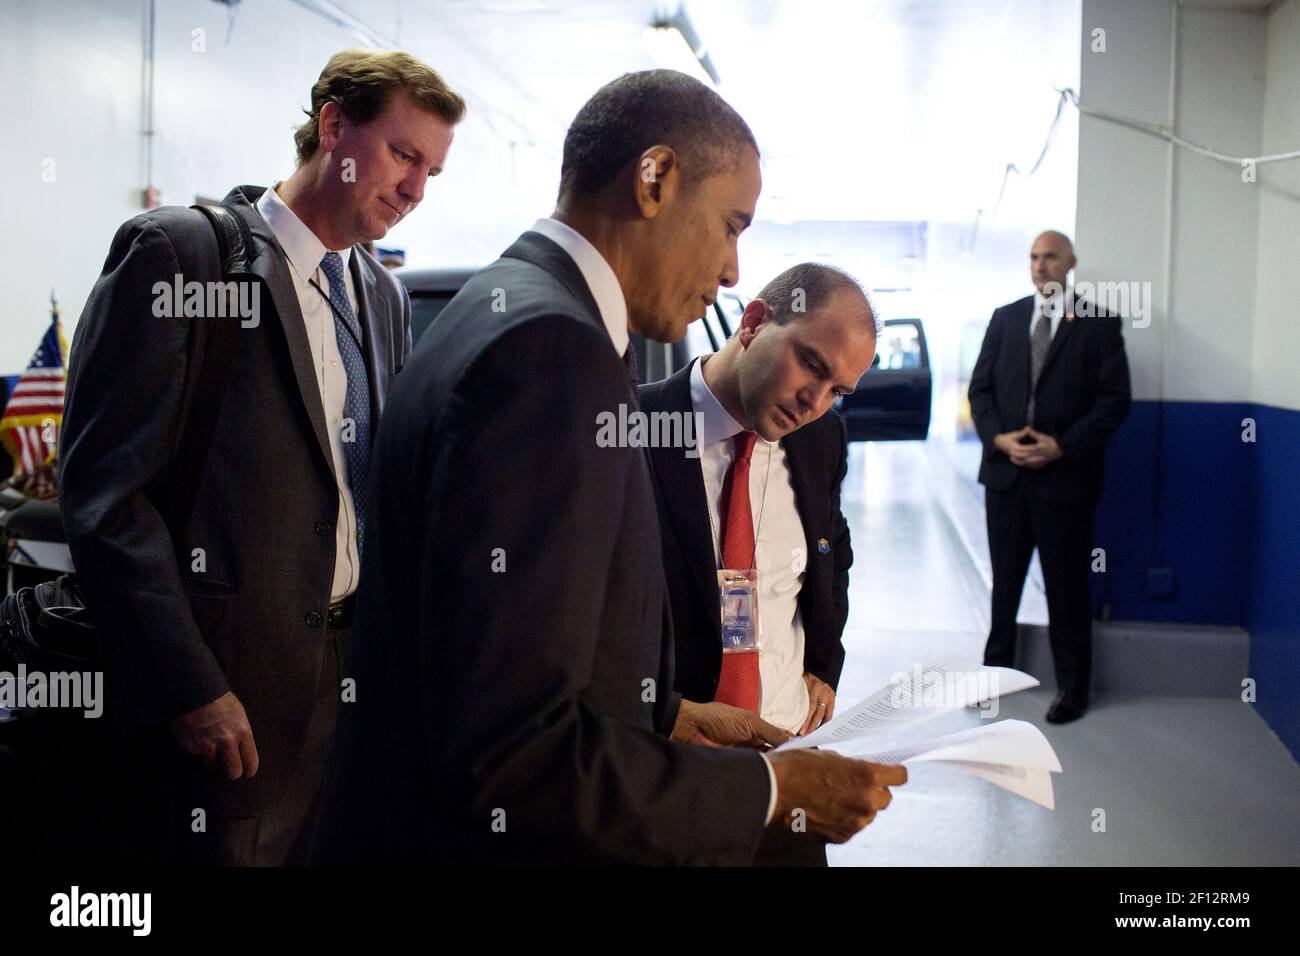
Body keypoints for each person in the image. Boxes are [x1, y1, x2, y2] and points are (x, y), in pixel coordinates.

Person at [313, 70, 904, 865]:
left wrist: (663, 713)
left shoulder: (502, 305)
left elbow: (500, 657)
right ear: (654, 179)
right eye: (730, 225)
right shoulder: (553, 354)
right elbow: (514, 752)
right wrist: (775, 791)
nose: (733, 270)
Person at [58, 49, 465, 864]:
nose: (417, 188)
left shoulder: (381, 295)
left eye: (433, 170)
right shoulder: (183, 257)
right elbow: (107, 499)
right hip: (228, 695)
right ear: (334, 127)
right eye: (403, 154)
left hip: (350, 690)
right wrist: (190, 684)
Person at [637, 262, 877, 865]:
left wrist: (823, 661)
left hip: (791, 767)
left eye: (838, 391)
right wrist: (661, 714)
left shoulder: (821, 440)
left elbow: (831, 552)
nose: (815, 401)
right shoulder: (633, 433)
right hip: (674, 774)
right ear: (753, 322)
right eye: (812, 366)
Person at [968, 230, 1132, 724]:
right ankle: (995, 678)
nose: (1041, 266)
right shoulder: (1006, 319)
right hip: (1007, 480)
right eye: (1034, 257)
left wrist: (1061, 445)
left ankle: (1073, 689)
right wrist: (999, 439)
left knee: (1066, 588)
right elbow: (980, 392)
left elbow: (1114, 403)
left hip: (1065, 483)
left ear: (1070, 263)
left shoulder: (1099, 325)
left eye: (1050, 257)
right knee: (1005, 585)